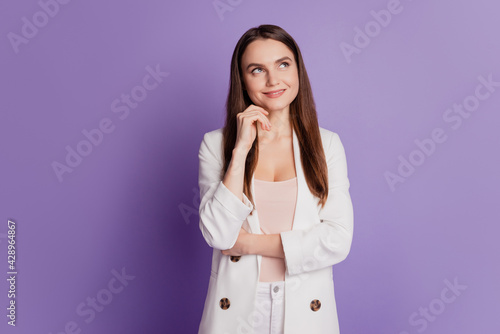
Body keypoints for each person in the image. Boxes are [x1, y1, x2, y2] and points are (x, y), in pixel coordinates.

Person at [197, 24, 354, 334]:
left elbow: (337, 240)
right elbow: (217, 235)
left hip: (305, 307)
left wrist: (249, 243)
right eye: (257, 70)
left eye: (283, 64)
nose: (273, 80)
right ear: (242, 79)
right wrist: (240, 150)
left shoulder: (327, 145)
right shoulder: (216, 145)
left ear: (298, 70)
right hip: (238, 309)